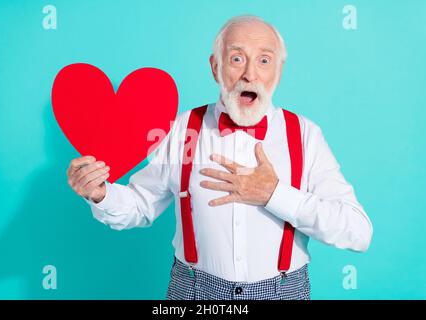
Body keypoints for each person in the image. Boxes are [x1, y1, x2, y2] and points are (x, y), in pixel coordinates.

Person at [66, 15, 372, 300]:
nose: (250, 74)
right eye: (237, 59)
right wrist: (100, 194)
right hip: (193, 292)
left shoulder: (305, 136)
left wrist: (275, 194)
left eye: (264, 61)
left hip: (284, 292)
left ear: (278, 71)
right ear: (216, 67)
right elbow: (139, 206)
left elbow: (357, 231)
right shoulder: (182, 128)